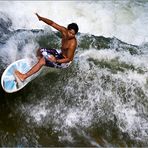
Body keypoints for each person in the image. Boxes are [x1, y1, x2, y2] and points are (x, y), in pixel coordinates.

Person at [15, 13, 79, 81]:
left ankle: (24, 76)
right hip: (60, 53)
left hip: (64, 62)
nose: (70, 35)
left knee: (43, 60)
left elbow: (69, 59)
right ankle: (38, 65)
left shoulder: (72, 44)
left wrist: (56, 60)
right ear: (67, 30)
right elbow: (52, 23)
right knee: (40, 50)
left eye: (73, 34)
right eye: (70, 32)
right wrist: (41, 18)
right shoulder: (64, 31)